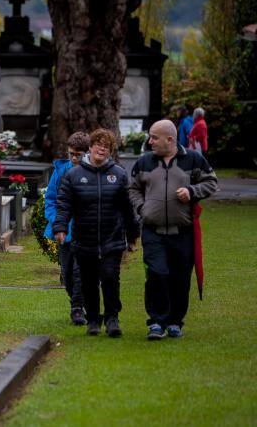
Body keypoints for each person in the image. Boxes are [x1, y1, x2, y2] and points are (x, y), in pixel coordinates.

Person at [129, 119, 218, 340]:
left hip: (183, 232)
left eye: (154, 137)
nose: (150, 141)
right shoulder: (144, 162)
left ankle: (175, 321)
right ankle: (157, 322)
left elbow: (211, 182)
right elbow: (133, 189)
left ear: (169, 139)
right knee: (157, 274)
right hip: (153, 231)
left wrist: (192, 191)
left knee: (180, 278)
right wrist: (142, 208)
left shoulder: (193, 159)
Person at [54, 128, 140, 337]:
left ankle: (112, 318)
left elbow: (127, 208)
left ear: (110, 151)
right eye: (98, 144)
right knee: (89, 281)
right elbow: (64, 204)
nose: (102, 148)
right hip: (85, 238)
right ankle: (93, 318)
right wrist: (60, 227)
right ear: (90, 147)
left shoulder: (118, 174)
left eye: (107, 146)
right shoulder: (74, 175)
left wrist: (132, 235)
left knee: (110, 277)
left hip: (112, 237)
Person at [44, 131, 90, 325]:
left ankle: (77, 309)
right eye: (71, 153)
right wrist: (56, 223)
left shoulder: (93, 172)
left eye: (77, 154)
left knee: (81, 272)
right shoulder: (61, 171)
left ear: (86, 153)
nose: (73, 158)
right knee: (68, 273)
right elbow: (51, 199)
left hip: (85, 231)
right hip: (64, 230)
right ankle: (77, 302)